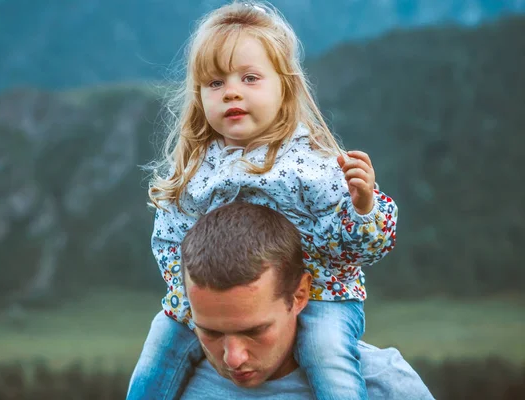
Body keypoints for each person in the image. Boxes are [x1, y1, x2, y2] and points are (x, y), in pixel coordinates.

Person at [128, 2, 398, 399]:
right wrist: (188, 297)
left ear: (284, 87)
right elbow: (170, 238)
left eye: (250, 78)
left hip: (322, 293)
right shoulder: (196, 171)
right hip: (216, 304)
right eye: (215, 83)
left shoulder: (314, 165)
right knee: (158, 349)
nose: (231, 91)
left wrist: (362, 209)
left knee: (326, 356)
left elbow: (357, 253)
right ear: (199, 95)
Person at [132, 202, 433, 399]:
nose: (232, 358)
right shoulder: (168, 384)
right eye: (210, 332)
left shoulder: (385, 385)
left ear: (300, 295)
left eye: (254, 330)